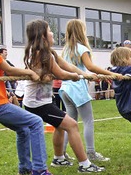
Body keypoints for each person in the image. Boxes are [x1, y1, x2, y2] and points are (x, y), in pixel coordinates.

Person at [0, 11, 50, 175]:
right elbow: (8, 68)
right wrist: (31, 73)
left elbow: (2, 70)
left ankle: (25, 169)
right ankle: (39, 169)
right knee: (36, 122)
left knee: (23, 130)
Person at [22, 19, 105, 173]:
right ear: (42, 36)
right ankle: (85, 165)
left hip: (41, 101)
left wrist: (84, 74)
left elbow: (69, 66)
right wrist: (75, 77)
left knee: (60, 127)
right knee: (72, 125)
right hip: (38, 104)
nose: (52, 32)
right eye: (49, 30)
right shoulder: (42, 54)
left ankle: (59, 159)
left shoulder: (49, 53)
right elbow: (61, 73)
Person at [60, 19, 121, 162]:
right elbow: (90, 67)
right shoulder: (81, 48)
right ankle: (91, 152)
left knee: (70, 123)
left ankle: (61, 153)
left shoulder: (65, 50)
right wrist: (111, 74)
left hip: (65, 89)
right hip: (76, 89)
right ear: (82, 31)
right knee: (88, 121)